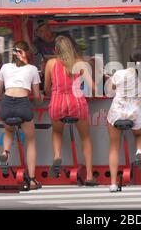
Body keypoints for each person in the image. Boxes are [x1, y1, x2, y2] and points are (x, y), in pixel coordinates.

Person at [44, 35, 98, 186]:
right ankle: (88, 175)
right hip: (77, 102)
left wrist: (52, 93)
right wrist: (91, 95)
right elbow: (93, 87)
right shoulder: (80, 63)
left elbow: (46, 88)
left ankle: (57, 156)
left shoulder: (50, 64)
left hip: (57, 103)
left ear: (56, 49)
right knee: (85, 138)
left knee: (56, 132)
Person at [0, 41, 43, 190]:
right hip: (23, 104)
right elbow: (36, 97)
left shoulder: (4, 67)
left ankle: (5, 151)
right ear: (26, 53)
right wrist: (41, 98)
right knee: (30, 141)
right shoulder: (32, 69)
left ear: (13, 53)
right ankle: (32, 179)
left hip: (7, 103)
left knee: (9, 131)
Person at [106, 46, 141, 192]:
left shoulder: (119, 73)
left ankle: (113, 183)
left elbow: (111, 88)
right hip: (135, 112)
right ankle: (138, 151)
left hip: (117, 112)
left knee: (114, 147)